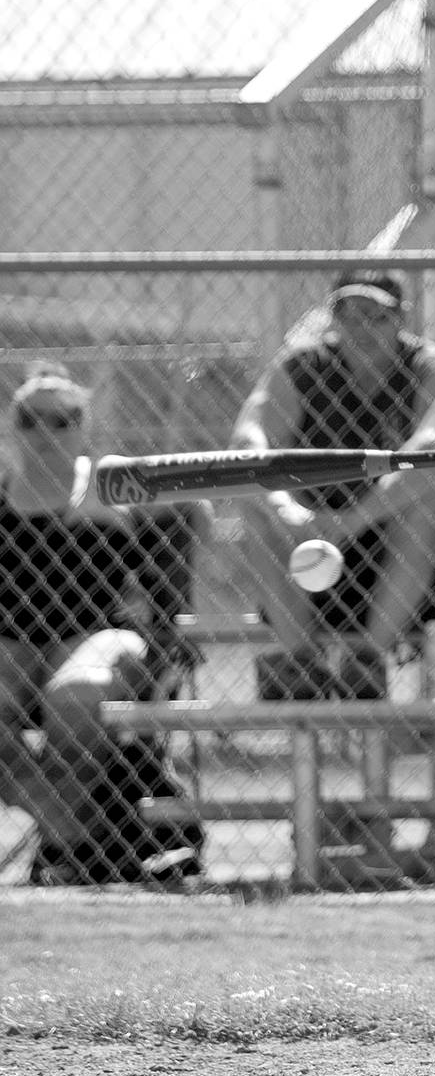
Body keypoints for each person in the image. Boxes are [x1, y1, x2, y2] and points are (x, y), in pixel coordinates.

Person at [0, 364, 208, 883]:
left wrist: (169, 603)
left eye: (64, 419)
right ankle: (76, 841)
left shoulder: (109, 482)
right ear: (13, 425)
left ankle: (68, 845)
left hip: (98, 634)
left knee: (74, 695)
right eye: (32, 419)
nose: (47, 431)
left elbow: (196, 511)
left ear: (83, 427)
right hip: (9, 646)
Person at [232, 271, 435, 698]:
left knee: (427, 498)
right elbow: (249, 442)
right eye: (348, 316)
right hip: (313, 537)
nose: (361, 329)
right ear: (333, 321)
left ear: (402, 319)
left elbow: (433, 449)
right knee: (255, 504)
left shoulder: (433, 368)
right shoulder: (301, 367)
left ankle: (368, 661)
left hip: (405, 556)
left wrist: (355, 519)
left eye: (375, 317)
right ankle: (300, 663)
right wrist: (289, 510)